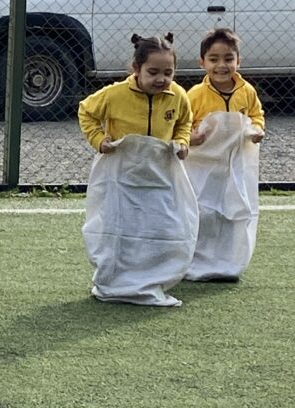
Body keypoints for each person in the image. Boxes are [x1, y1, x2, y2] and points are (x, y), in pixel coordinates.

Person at [78, 33, 197, 307]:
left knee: (164, 226)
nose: (161, 79)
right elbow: (86, 111)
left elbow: (184, 122)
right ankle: (113, 283)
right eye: (153, 72)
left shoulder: (177, 95)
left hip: (160, 175)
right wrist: (98, 139)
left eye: (168, 72)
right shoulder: (114, 94)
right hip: (121, 176)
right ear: (136, 69)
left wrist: (182, 141)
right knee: (118, 227)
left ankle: (152, 281)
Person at [183, 28, 264, 281]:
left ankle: (228, 261)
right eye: (214, 59)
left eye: (228, 58)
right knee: (204, 211)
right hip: (204, 167)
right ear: (202, 62)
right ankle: (196, 261)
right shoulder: (195, 95)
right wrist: (190, 138)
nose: (222, 65)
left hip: (234, 165)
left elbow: (255, 115)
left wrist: (257, 130)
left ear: (238, 61)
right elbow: (182, 124)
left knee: (234, 209)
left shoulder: (246, 91)